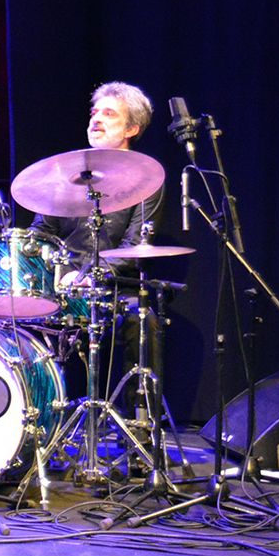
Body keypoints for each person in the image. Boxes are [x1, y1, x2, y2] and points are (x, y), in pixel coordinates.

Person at [30, 81, 165, 411]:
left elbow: (137, 244)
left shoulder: (147, 180)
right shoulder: (64, 175)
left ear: (131, 128)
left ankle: (142, 425)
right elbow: (40, 234)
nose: (96, 120)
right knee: (12, 308)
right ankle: (34, 422)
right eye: (94, 112)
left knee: (141, 318)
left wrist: (94, 276)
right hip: (60, 284)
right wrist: (57, 271)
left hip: (113, 288)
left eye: (108, 114)